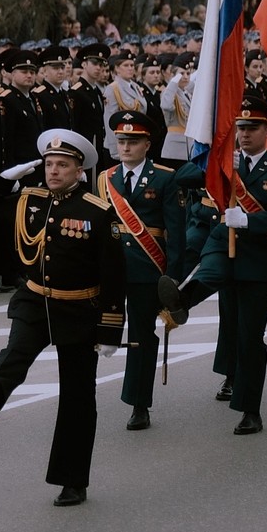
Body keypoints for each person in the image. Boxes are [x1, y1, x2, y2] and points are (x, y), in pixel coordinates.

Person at [0, 128, 126, 507]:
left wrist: (110, 328)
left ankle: (72, 480)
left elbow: (114, 275)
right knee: (16, 353)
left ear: (79, 170)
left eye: (62, 165)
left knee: (78, 396)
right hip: (35, 301)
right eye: (49, 164)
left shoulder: (98, 212)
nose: (53, 171)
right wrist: (3, 181)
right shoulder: (29, 201)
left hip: (79, 308)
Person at [158, 96, 267, 435]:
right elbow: (183, 177)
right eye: (240, 128)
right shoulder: (225, 164)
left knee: (249, 338)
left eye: (252, 128)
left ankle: (251, 410)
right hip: (222, 246)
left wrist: (251, 221)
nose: (245, 134)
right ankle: (181, 300)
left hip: (257, 258)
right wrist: (215, 155)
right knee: (210, 270)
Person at [96, 111, 184, 431]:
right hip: (112, 269)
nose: (126, 147)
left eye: (133, 141)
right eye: (121, 141)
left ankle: (139, 403)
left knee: (141, 336)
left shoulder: (164, 177)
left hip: (148, 268)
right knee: (101, 330)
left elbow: (176, 230)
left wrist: (174, 275)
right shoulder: (105, 178)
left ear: (148, 144)